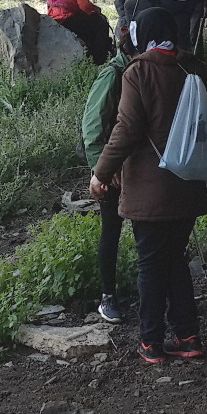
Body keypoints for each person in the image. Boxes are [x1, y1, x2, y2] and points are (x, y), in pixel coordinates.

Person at [91, 7, 207, 363]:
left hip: (149, 191)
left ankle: (151, 341)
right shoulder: (195, 67)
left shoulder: (139, 72)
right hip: (188, 184)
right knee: (176, 260)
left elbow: (126, 130)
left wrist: (101, 172)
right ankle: (188, 335)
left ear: (141, 34)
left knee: (151, 264)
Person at [82, 24, 142, 324]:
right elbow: (93, 126)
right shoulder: (112, 75)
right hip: (115, 169)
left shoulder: (142, 70)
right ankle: (108, 295)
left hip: (139, 167)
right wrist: (101, 170)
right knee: (112, 230)